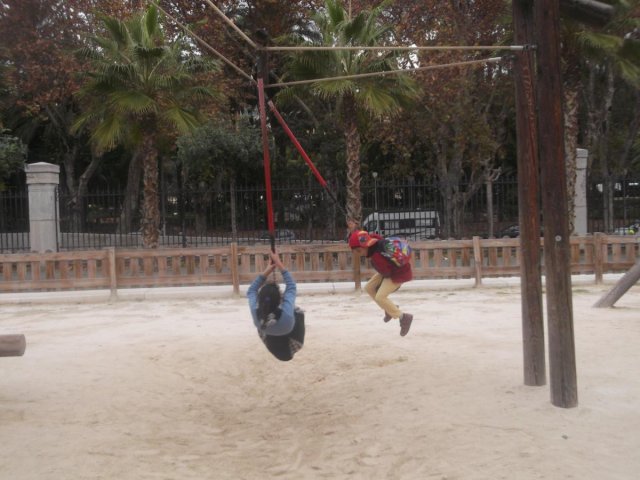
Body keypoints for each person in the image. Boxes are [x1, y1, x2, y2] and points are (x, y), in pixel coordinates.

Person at [348, 230, 414, 336]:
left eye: (357, 252)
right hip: (392, 269)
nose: (357, 254)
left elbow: (386, 273)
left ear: (360, 249)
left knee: (380, 297)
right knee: (369, 287)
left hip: (398, 274)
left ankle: (404, 317)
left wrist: (380, 286)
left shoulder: (376, 257)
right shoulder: (376, 241)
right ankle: (389, 309)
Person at [247, 249, 305, 361]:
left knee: (262, 321)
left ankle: (270, 323)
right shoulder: (287, 313)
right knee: (298, 311)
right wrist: (278, 263)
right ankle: (274, 324)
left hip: (272, 345)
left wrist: (268, 270)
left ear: (260, 299)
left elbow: (251, 291)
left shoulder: (256, 311)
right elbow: (291, 286)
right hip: (294, 344)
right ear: (279, 301)